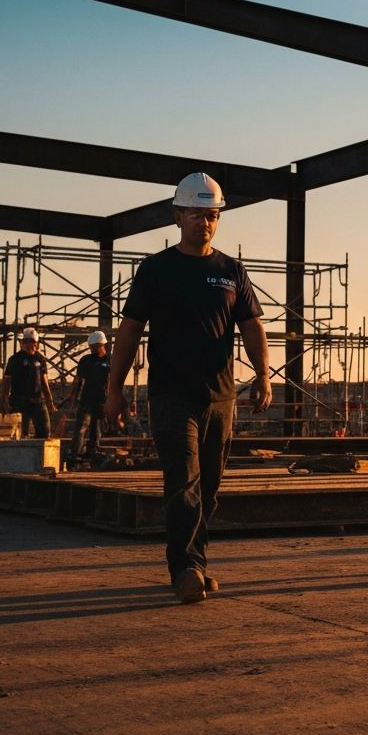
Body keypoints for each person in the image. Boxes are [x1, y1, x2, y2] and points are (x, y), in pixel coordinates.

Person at [104, 172, 272, 604]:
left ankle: (196, 559)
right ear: (177, 216)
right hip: (171, 395)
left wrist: (264, 375)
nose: (205, 222)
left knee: (210, 487)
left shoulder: (231, 272)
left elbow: (252, 327)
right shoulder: (156, 269)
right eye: (197, 213)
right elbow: (129, 330)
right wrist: (114, 389)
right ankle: (186, 569)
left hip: (221, 396)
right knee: (184, 482)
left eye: (212, 214)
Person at [66, 330, 112, 469]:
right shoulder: (85, 360)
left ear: (103, 344)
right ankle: (74, 457)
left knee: (95, 431)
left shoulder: (110, 361)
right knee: (80, 429)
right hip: (86, 401)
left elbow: (113, 384)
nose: (94, 350)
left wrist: (110, 402)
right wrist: (73, 400)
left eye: (96, 347)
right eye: (92, 347)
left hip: (101, 402)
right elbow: (78, 381)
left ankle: (93, 456)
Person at [1, 327, 56, 438]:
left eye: (32, 342)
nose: (29, 345)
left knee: (45, 433)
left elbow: (44, 382)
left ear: (36, 344)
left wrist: (50, 401)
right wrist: (5, 400)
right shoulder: (15, 359)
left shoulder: (40, 359)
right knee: (21, 434)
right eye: (26, 342)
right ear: (22, 343)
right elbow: (7, 381)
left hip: (37, 401)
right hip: (19, 402)